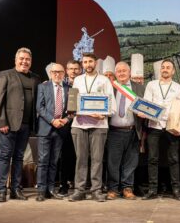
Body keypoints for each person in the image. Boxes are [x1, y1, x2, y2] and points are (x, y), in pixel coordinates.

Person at [0, 47, 40, 202]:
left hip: (26, 125)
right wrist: (2, 121)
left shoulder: (35, 78)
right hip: (8, 124)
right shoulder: (5, 75)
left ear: (31, 61)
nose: (24, 62)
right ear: (16, 60)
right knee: (5, 156)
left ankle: (15, 189)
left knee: (19, 157)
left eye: (27, 59)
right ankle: (1, 190)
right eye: (22, 58)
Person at [68, 53, 116, 202]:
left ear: (95, 63)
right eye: (85, 62)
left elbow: (111, 104)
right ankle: (79, 190)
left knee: (97, 159)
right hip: (79, 124)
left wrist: (104, 115)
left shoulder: (104, 80)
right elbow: (73, 101)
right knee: (80, 159)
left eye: (90, 61)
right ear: (82, 64)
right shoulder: (77, 80)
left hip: (99, 125)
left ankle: (96, 190)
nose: (88, 64)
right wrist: (72, 110)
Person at [141, 59, 180, 201]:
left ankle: (176, 189)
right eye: (163, 67)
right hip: (154, 125)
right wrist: (143, 112)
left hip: (171, 126)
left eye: (168, 67)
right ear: (160, 70)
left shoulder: (178, 87)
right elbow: (147, 102)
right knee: (152, 158)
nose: (165, 69)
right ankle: (152, 189)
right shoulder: (151, 85)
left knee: (174, 159)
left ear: (173, 71)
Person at [106, 61, 145, 200]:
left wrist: (145, 113)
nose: (121, 73)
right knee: (113, 162)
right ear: (115, 74)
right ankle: (113, 189)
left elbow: (146, 107)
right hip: (114, 131)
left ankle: (127, 188)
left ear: (129, 73)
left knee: (131, 162)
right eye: (119, 71)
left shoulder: (139, 88)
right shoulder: (111, 87)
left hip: (133, 130)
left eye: (124, 71)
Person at [36, 63, 71, 201]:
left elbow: (72, 110)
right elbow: (40, 107)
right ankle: (41, 190)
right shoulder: (42, 87)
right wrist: (52, 120)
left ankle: (50, 189)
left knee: (54, 161)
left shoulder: (70, 89)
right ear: (50, 73)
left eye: (60, 72)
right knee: (43, 161)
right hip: (46, 128)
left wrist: (66, 120)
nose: (57, 74)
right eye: (54, 72)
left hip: (61, 130)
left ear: (64, 74)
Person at [58, 59, 82, 196]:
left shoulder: (84, 84)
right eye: (71, 69)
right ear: (67, 71)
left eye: (76, 69)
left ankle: (79, 183)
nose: (73, 71)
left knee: (81, 156)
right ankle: (64, 184)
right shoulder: (62, 85)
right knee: (66, 156)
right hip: (66, 125)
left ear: (80, 70)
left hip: (83, 124)